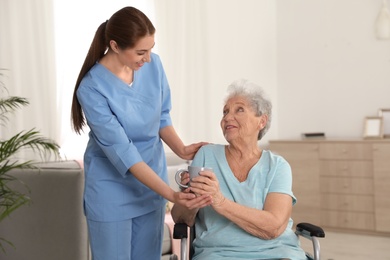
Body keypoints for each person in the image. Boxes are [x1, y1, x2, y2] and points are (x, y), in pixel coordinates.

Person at [70, 6, 211, 260]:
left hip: (150, 187)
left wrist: (181, 149)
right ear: (114, 46)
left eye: (151, 48)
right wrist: (170, 194)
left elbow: (162, 116)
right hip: (111, 192)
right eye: (140, 52)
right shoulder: (91, 88)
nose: (147, 58)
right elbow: (124, 152)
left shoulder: (153, 65)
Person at [171, 79, 307, 259]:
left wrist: (220, 201)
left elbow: (273, 227)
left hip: (277, 251)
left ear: (262, 121)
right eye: (225, 112)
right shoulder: (206, 155)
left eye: (239, 110)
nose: (227, 117)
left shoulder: (277, 166)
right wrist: (191, 199)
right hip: (218, 253)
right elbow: (181, 218)